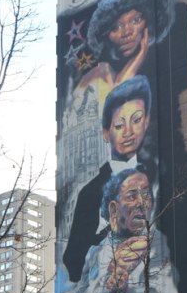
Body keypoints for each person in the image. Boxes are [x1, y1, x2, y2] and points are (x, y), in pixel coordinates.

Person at [59, 168, 187, 293]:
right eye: (132, 196)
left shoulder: (159, 244)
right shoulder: (96, 252)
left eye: (146, 194)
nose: (142, 203)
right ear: (113, 209)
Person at [63, 76, 155, 282]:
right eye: (119, 125)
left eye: (137, 120)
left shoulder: (158, 176)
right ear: (106, 133)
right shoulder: (90, 192)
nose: (129, 132)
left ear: (146, 122)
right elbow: (72, 260)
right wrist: (109, 244)